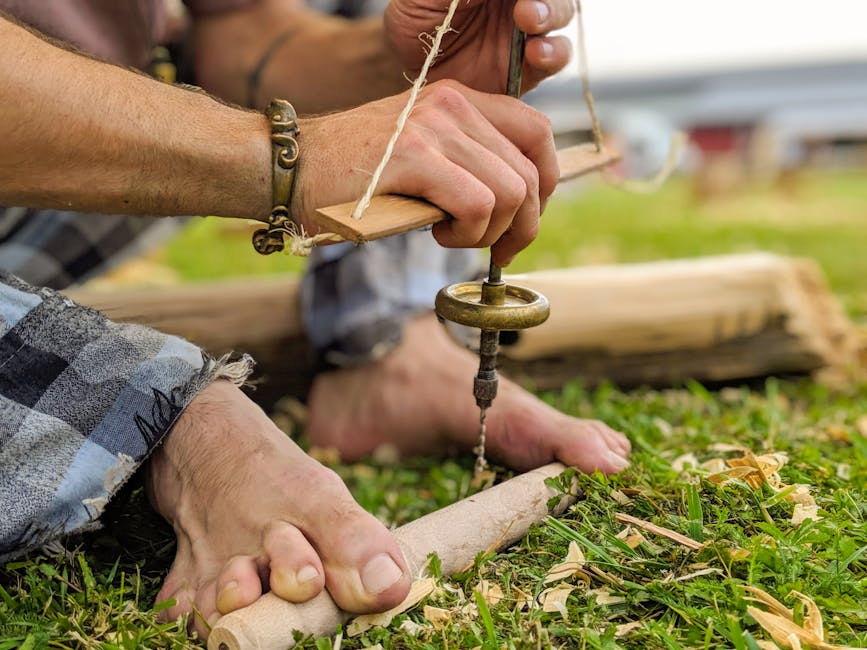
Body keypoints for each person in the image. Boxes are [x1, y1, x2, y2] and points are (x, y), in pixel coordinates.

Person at [0, 0, 631, 638]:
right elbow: (281, 149)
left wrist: (388, 68)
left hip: (90, 135)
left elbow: (234, 32)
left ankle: (386, 345)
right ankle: (169, 424)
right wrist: (285, 157)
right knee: (176, 421)